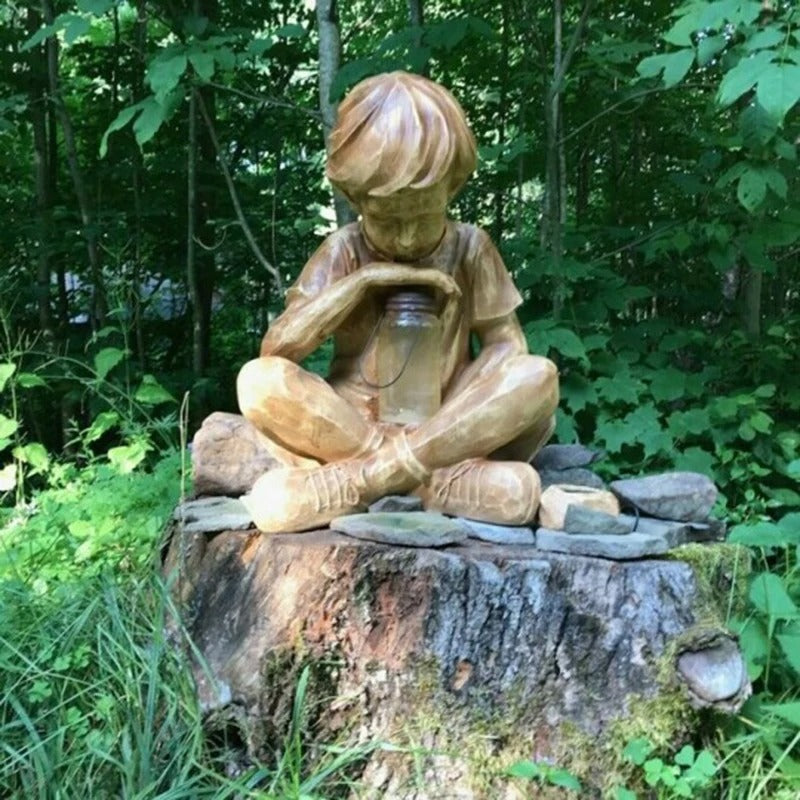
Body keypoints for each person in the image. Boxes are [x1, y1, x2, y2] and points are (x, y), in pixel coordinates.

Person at [237, 71, 558, 533]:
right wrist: (365, 280)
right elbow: (279, 350)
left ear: (452, 188)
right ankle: (430, 484)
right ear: (354, 198)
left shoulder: (470, 247)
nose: (406, 237)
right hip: (351, 427)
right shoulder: (343, 250)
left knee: (538, 376)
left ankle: (364, 483)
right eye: (387, 220)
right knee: (258, 380)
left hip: (445, 424)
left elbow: (507, 346)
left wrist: (448, 421)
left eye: (423, 217)